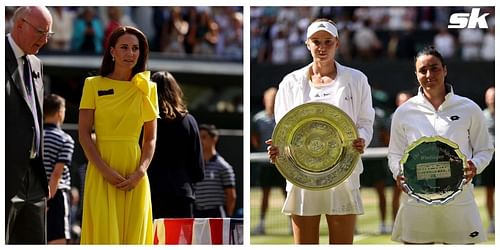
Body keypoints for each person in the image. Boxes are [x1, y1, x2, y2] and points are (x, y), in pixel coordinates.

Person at [267, 19, 375, 244]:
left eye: (327, 42)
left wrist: (361, 139)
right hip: (302, 175)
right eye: (316, 42)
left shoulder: (357, 79)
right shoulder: (289, 82)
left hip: (344, 172)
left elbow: (365, 122)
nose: (322, 47)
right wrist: (278, 149)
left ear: (337, 43)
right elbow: (283, 128)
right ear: (307, 44)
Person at [388, 46, 494, 244]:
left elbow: (485, 150)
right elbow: (394, 154)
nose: (429, 75)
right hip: (416, 203)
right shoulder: (404, 111)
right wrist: (399, 173)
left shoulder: (469, 108)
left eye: (435, 68)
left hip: (459, 203)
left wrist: (474, 166)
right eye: (423, 70)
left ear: (445, 70)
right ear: (416, 74)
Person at [78, 26, 158, 244]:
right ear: (112, 51)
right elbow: (84, 134)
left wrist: (140, 172)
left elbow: (150, 138)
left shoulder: (148, 87)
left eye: (135, 48)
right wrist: (105, 171)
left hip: (135, 172)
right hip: (101, 170)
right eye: (124, 47)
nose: (130, 53)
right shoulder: (92, 85)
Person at [5, 6, 53, 244]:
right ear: (20, 24)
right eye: (41, 31)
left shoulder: (36, 65)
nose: (45, 40)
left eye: (49, 34)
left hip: (34, 181)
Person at [148, 71, 205, 219]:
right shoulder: (189, 121)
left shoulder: (145, 119)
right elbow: (198, 168)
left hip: (150, 192)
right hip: (182, 193)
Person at [251, 86, 287, 235]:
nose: (271, 102)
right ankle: (261, 223)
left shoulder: (284, 117)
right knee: (265, 194)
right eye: (269, 99)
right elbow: (254, 138)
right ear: (265, 100)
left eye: (274, 99)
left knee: (288, 194)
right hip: (265, 163)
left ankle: (294, 224)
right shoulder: (258, 119)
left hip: (282, 164)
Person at [43, 94, 75, 244]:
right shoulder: (65, 139)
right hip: (55, 198)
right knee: (58, 242)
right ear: (59, 113)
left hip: (35, 195)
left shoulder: (36, 138)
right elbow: (57, 174)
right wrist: (48, 201)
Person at [194, 124, 237, 218]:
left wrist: (227, 217)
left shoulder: (223, 166)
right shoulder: (194, 165)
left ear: (214, 138)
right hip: (197, 213)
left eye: (204, 137)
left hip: (216, 214)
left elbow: (231, 195)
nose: (200, 141)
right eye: (199, 137)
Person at [479, 86, 495, 233]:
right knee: (489, 190)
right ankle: (492, 221)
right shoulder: (482, 116)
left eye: (494, 96)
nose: (492, 99)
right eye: (490, 97)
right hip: (489, 160)